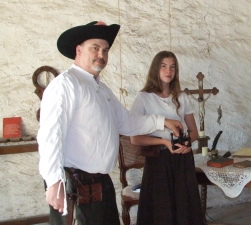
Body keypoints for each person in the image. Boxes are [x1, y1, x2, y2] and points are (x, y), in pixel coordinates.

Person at [37, 21, 183, 225]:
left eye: (105, 50)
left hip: (100, 183)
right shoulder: (66, 84)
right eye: (95, 48)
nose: (101, 55)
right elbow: (51, 136)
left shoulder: (102, 89)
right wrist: (53, 183)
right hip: (75, 186)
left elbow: (127, 122)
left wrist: (163, 121)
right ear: (78, 50)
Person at [130, 51, 204, 225]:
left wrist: (187, 143)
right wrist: (163, 142)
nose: (168, 71)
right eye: (163, 66)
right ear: (156, 69)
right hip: (158, 159)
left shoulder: (182, 97)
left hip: (182, 158)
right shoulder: (143, 98)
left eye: (172, 67)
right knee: (161, 210)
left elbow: (194, 131)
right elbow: (135, 138)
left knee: (185, 208)